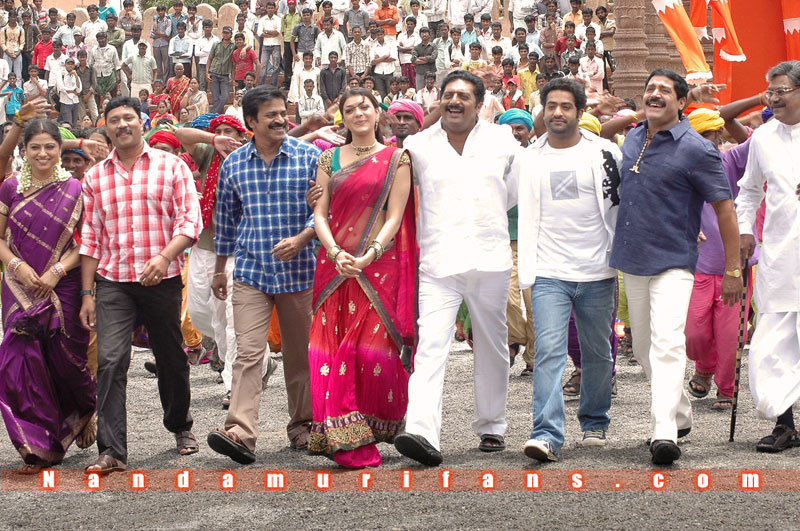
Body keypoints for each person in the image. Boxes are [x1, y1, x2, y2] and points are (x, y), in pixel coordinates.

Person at [610, 69, 742, 465]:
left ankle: (664, 430)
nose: (654, 94)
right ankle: (681, 412)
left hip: (674, 261)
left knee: (667, 343)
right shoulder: (634, 136)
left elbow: (725, 210)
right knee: (645, 348)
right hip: (632, 258)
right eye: (649, 89)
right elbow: (601, 128)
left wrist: (733, 270)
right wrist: (639, 113)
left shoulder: (697, 149)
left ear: (682, 102)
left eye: (664, 91)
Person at [394, 70, 521, 466]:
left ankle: (492, 425)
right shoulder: (418, 146)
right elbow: (397, 190)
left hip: (490, 258)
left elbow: (513, 194)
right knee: (431, 346)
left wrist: (483, 215)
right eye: (448, 95)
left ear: (479, 104)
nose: (453, 101)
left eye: (463, 96)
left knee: (492, 345)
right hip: (438, 262)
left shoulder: (503, 140)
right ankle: (421, 430)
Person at [79, 96, 202, 475]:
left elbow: (189, 221)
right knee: (111, 361)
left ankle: (180, 425)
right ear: (106, 128)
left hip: (162, 279)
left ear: (141, 122)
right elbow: (90, 238)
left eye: (128, 118)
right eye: (114, 120)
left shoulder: (171, 166)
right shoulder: (95, 177)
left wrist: (164, 257)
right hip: (113, 282)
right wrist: (86, 293)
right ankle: (112, 450)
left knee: (171, 357)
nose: (122, 125)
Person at [207, 86, 318, 464]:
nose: (280, 120)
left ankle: (303, 425)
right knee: (249, 353)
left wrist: (302, 239)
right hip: (251, 272)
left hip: (299, 272)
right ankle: (240, 432)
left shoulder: (308, 157)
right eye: (271, 115)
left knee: (300, 355)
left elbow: (323, 211)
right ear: (251, 122)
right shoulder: (234, 164)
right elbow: (226, 221)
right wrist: (220, 270)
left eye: (283, 113)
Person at [307, 88, 415, 468]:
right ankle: (344, 438)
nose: (358, 113)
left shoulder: (397, 158)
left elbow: (395, 215)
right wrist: (335, 252)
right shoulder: (328, 158)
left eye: (364, 106)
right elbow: (320, 214)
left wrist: (370, 254)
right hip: (334, 268)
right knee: (329, 353)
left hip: (376, 269)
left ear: (377, 112)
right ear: (343, 117)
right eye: (350, 109)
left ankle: (366, 428)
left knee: (367, 353)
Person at [517, 78, 621, 462]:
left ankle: (595, 421)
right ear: (542, 111)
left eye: (565, 106)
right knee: (548, 352)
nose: (557, 113)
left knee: (598, 353)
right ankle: (546, 434)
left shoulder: (605, 153)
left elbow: (627, 201)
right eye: (551, 106)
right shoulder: (529, 157)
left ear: (580, 111)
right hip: (548, 272)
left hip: (597, 271)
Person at [0, 111, 96, 474]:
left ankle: (83, 410)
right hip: (18, 285)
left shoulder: (77, 190)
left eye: (50, 147)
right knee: (18, 362)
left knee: (66, 362)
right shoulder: (10, 188)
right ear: (24, 150)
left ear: (60, 149)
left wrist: (56, 271)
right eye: (35, 147)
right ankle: (39, 445)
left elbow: (87, 242)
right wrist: (17, 266)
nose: (43, 154)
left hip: (63, 285)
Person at [738, 61, 800, 452]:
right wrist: (745, 230)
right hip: (780, 253)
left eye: (782, 92)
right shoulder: (762, 137)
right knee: (772, 344)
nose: (773, 99)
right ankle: (785, 425)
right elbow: (748, 191)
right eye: (770, 92)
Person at [496, 108, 535, 376]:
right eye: (509, 129)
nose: (515, 133)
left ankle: (534, 358)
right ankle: (515, 339)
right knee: (506, 299)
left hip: (535, 241)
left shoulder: (539, 158)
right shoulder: (492, 160)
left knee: (535, 304)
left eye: (520, 128)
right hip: (502, 240)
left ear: (529, 131)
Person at [206, 26, 234, 114]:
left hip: (225, 75)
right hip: (214, 73)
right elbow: (210, 59)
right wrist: (207, 73)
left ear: (231, 34)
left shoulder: (233, 46)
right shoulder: (216, 44)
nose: (225, 35)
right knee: (215, 98)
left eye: (227, 33)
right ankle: (218, 117)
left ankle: (212, 113)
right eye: (224, 33)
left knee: (225, 97)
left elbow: (246, 45)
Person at [259, 1, 282, 86]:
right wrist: (272, 34)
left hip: (276, 45)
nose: (270, 10)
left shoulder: (279, 19)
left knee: (276, 66)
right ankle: (262, 85)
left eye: (272, 8)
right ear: (266, 9)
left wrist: (266, 31)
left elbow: (277, 32)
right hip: (265, 45)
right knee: (263, 66)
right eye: (269, 8)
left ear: (275, 9)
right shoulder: (262, 20)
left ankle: (273, 85)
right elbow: (260, 33)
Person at [56, 58, 81, 127]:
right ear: (65, 65)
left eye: (72, 64)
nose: (70, 66)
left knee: (74, 124)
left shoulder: (76, 76)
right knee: (68, 124)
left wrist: (76, 76)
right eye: (68, 64)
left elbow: (79, 90)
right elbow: (61, 88)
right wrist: (73, 91)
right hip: (65, 102)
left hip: (75, 102)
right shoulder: (61, 75)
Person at [150, 5, 172, 84]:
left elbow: (167, 34)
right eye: (159, 11)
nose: (160, 12)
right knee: (158, 65)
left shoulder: (168, 21)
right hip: (156, 45)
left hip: (165, 45)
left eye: (162, 10)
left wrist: (157, 34)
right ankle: (159, 83)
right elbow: (151, 35)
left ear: (165, 11)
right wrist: (162, 35)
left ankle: (165, 83)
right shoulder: (155, 22)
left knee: (166, 65)